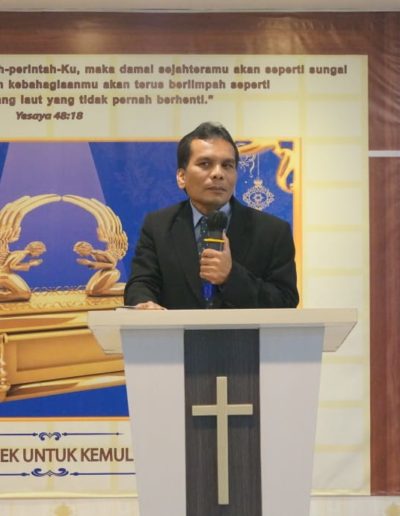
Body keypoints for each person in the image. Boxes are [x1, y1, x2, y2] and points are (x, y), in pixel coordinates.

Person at [124, 122, 299, 310]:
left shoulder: (273, 232)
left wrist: (231, 276)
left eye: (227, 165)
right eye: (205, 164)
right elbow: (140, 284)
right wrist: (145, 304)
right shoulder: (158, 226)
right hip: (178, 330)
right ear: (182, 177)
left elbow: (286, 301)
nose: (218, 174)